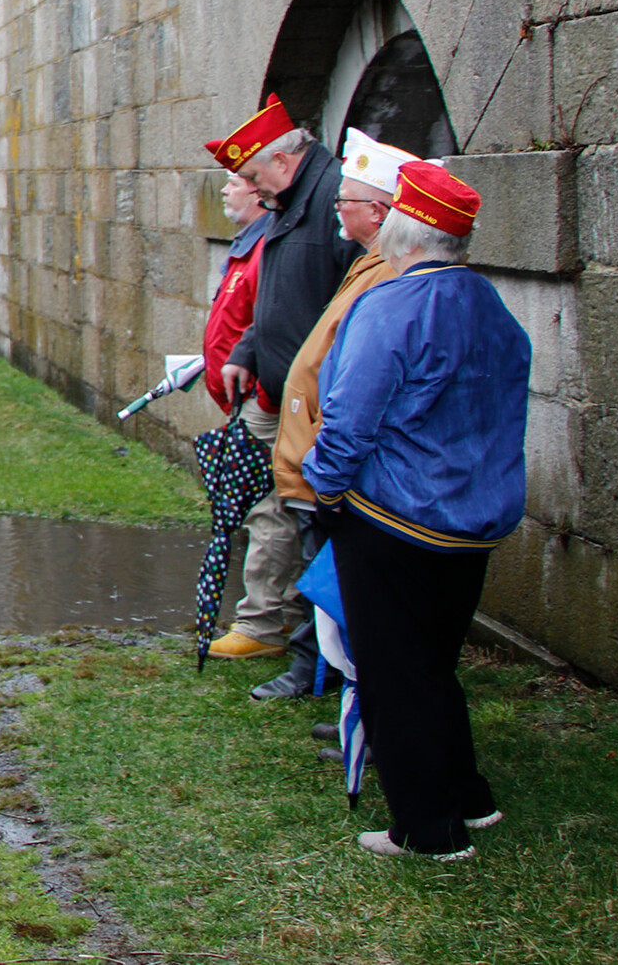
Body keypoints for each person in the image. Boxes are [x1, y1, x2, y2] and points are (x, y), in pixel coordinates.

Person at [303, 160, 528, 860]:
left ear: (404, 228)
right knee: (432, 664)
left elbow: (348, 419)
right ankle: (468, 794)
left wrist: (324, 491)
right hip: (473, 519)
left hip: (396, 517)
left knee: (394, 673)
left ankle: (429, 829)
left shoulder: (393, 305)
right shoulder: (488, 303)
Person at [247, 128, 418, 700]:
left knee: (339, 576)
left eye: (346, 202)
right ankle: (332, 679)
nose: (336, 210)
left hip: (338, 456)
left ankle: (337, 683)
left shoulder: (389, 273)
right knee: (328, 569)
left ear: (378, 211)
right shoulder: (369, 259)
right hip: (318, 441)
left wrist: (327, 464)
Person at [208, 95, 361, 661]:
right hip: (276, 389)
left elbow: (351, 302)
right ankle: (273, 626)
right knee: (268, 506)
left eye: (252, 175)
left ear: (282, 160)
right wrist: (248, 348)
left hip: (314, 399)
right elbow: (274, 293)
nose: (251, 188)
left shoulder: (333, 200)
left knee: (304, 513)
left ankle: (307, 643)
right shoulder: (292, 202)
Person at [199, 143, 272, 415]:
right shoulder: (249, 243)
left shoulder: (266, 247)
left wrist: (261, 399)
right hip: (238, 398)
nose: (224, 191)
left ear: (257, 193)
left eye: (233, 183)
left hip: (252, 397)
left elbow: (269, 321)